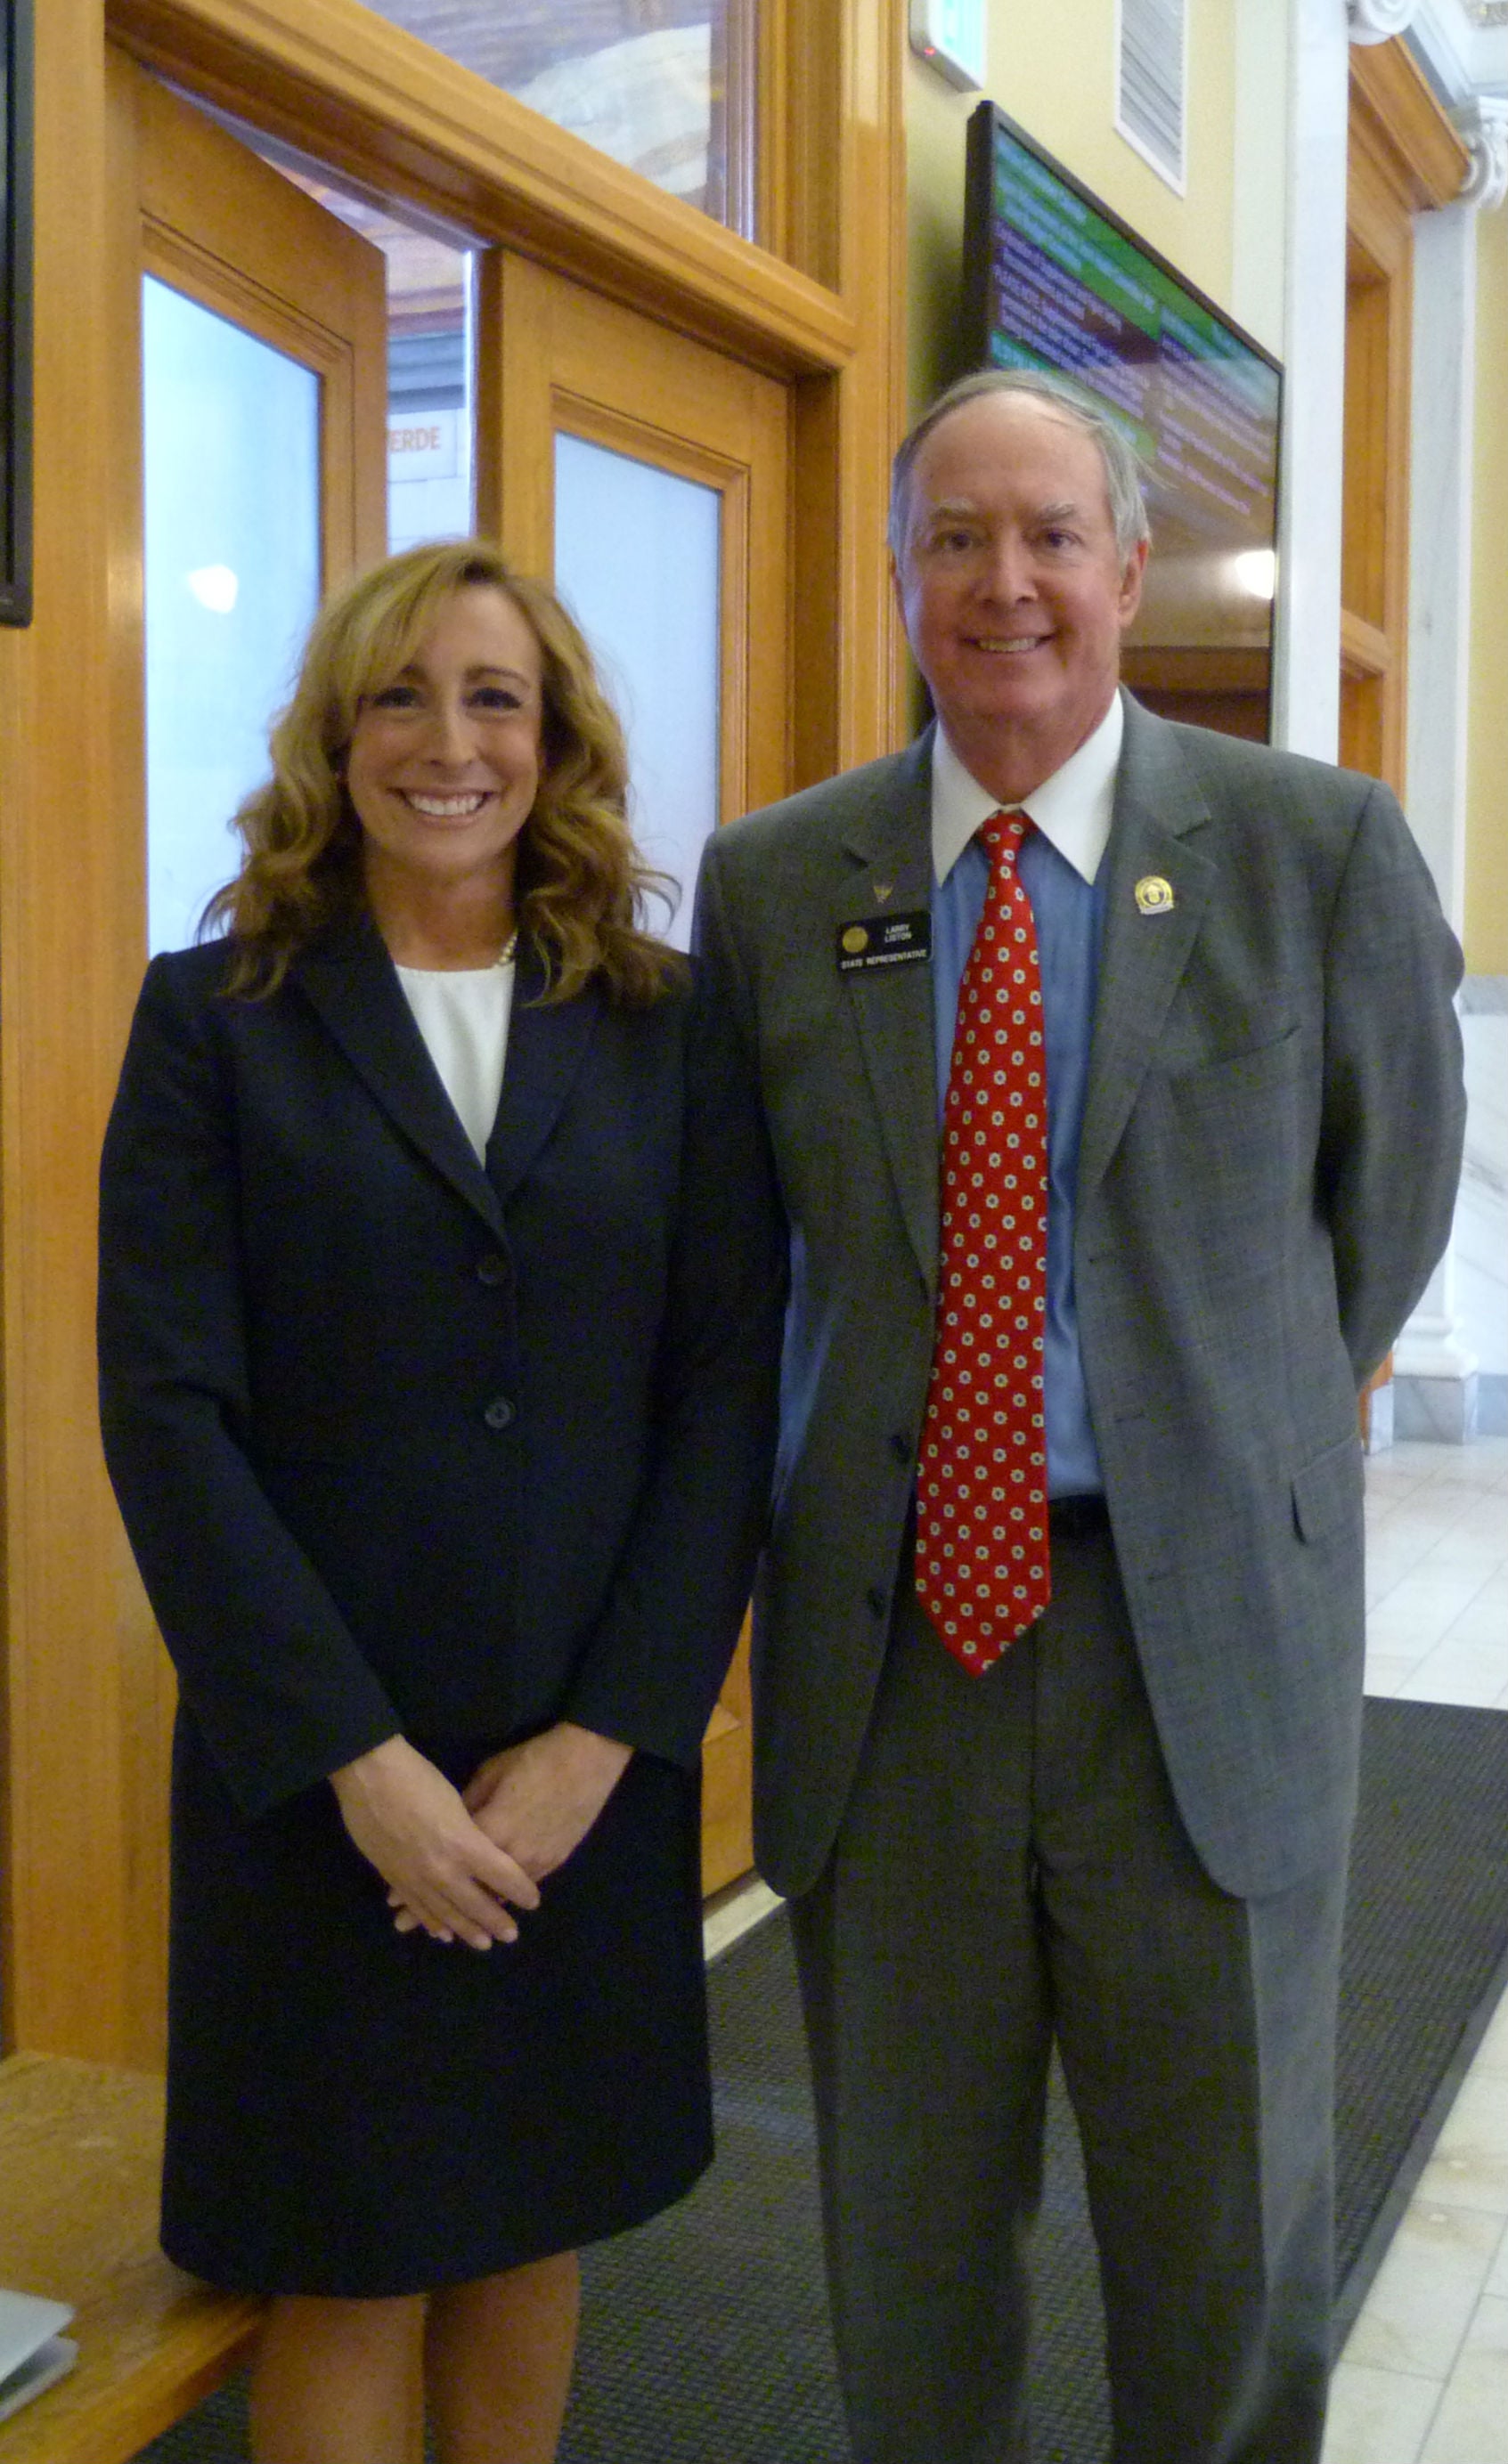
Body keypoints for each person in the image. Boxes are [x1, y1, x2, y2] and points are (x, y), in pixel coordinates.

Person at [692, 369, 1466, 2464]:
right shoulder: (776, 884)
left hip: (1199, 1656)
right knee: (912, 2253)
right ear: (898, 580)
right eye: (955, 537)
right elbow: (732, 1268)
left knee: (1223, 2255)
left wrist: (1229, 1427)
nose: (1004, 582)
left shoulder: (1312, 850)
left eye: (1049, 535)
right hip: (894, 1669)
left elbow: (1374, 1218)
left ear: (1129, 567)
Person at [98, 539, 783, 2464]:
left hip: (577, 1766)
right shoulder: (216, 1015)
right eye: (401, 694)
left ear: (552, 738)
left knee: (525, 2222)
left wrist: (609, 1737)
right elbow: (164, 1411)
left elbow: (723, 1386)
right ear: (336, 735)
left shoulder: (662, 1020)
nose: (448, 741)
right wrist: (354, 1761)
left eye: (494, 696)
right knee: (350, 2255)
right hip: (322, 1776)